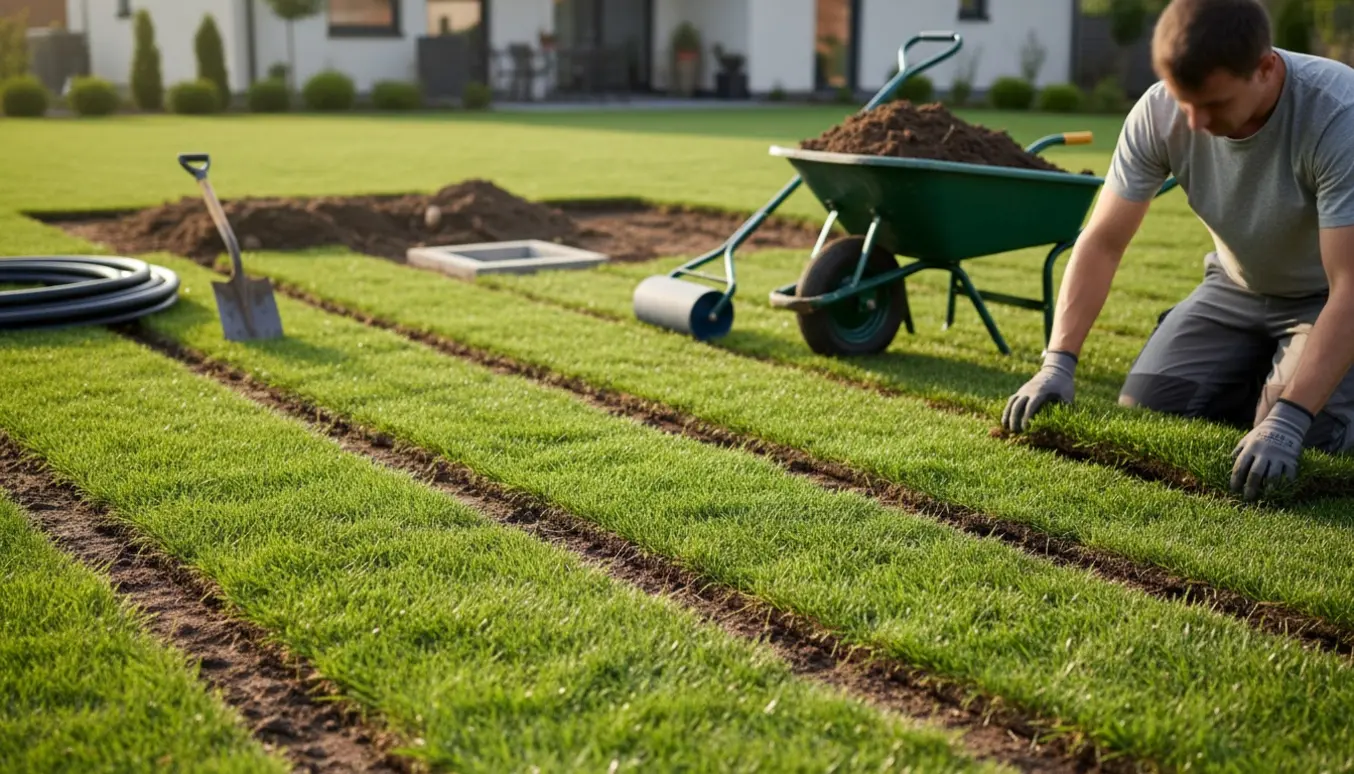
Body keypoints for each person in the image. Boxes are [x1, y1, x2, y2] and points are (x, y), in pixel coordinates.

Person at [1001, 0, 1354, 501]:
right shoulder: (1160, 110)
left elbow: (1349, 287)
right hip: (1235, 286)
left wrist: (1290, 419)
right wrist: (1057, 361)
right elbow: (1102, 242)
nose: (1194, 121)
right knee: (1148, 407)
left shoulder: (1337, 115)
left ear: (1265, 68)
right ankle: (1268, 373)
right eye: (1185, 100)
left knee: (1306, 439)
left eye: (1214, 103)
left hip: (1325, 299)